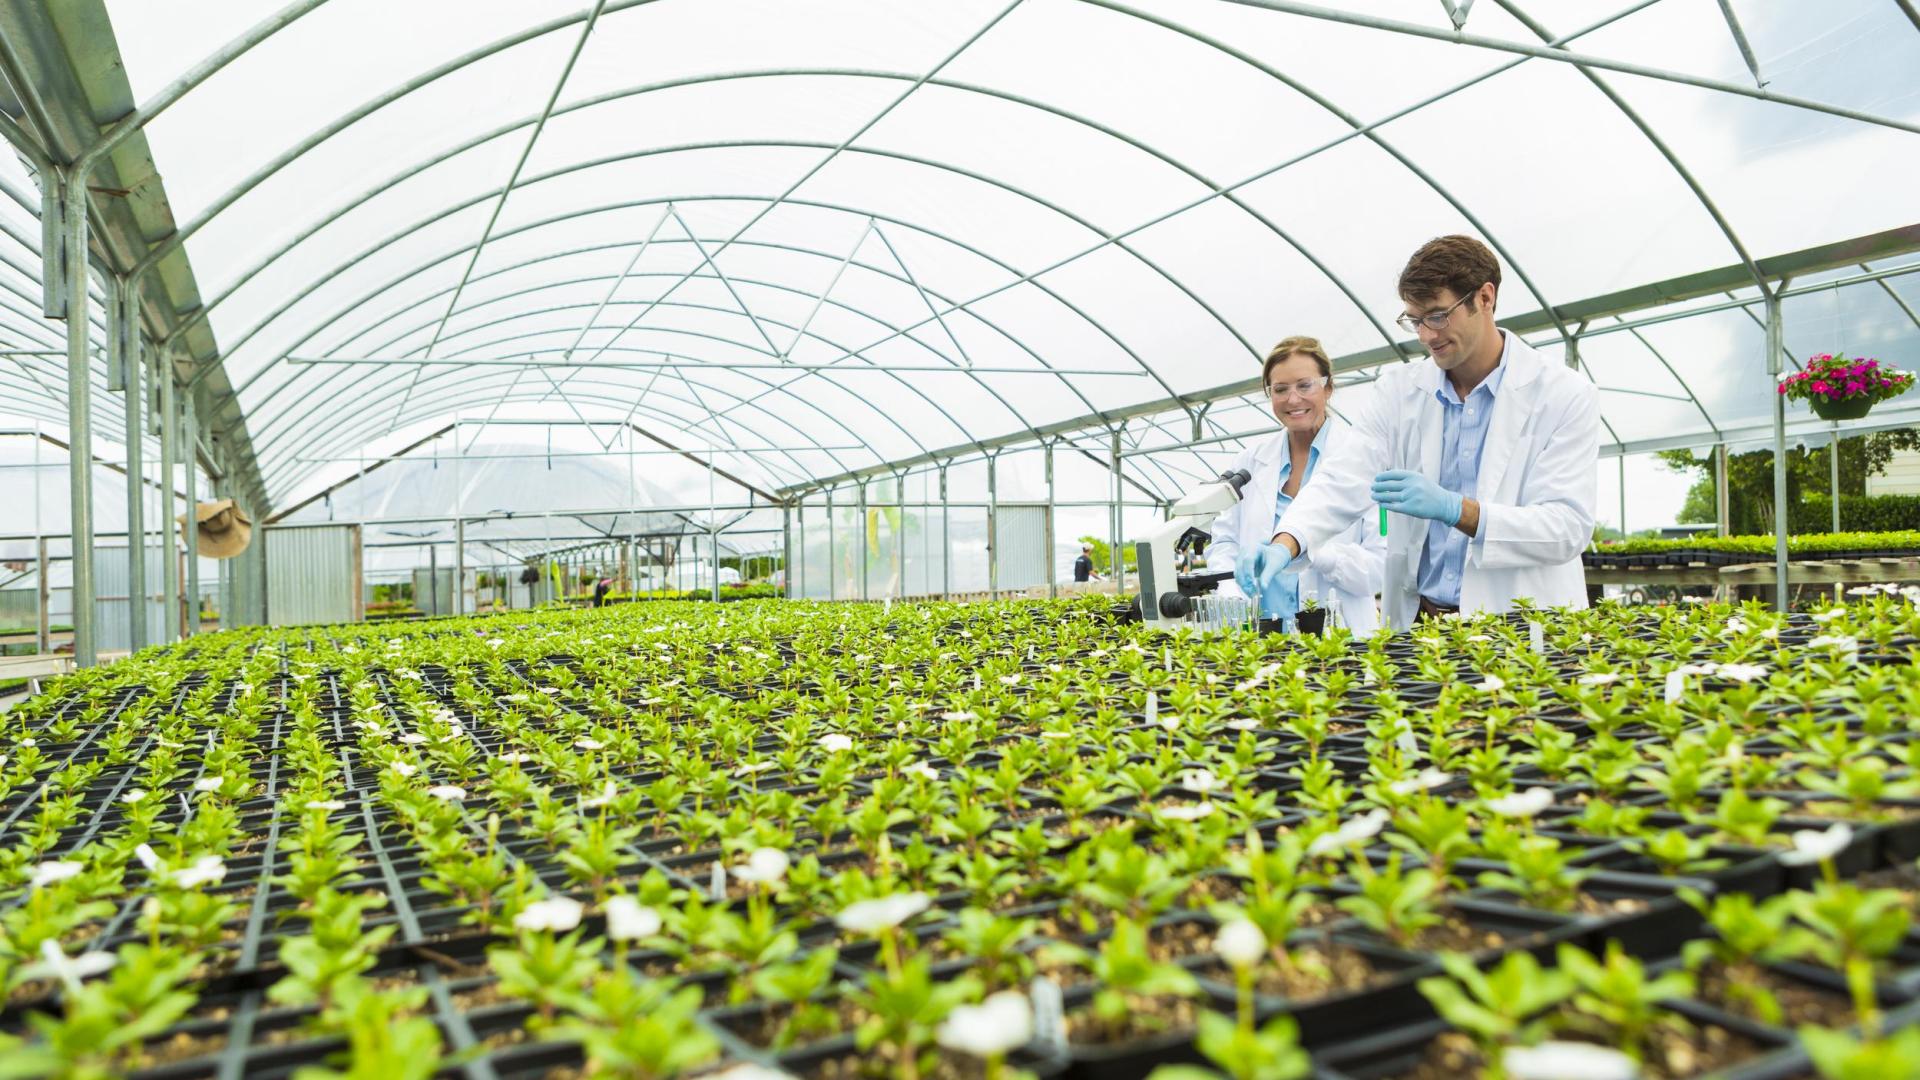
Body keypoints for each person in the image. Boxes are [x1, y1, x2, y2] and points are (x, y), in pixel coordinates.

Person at [1244, 235, 1599, 630]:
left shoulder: (1562, 394)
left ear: (1485, 298)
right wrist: (1287, 540)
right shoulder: (1399, 392)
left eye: (1438, 315)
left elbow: (1566, 528)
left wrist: (1458, 510)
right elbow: (1341, 479)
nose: (1427, 335)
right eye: (1415, 320)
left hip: (1520, 626)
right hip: (1418, 627)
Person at [1209, 336, 1387, 636]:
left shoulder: (1363, 459)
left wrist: (1311, 551)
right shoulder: (1249, 462)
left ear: (1328, 388)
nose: (1293, 399)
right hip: (1263, 635)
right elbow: (1224, 540)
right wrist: (1231, 590)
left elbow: (1379, 568)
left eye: (1305, 385)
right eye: (1280, 389)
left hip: (1339, 635)